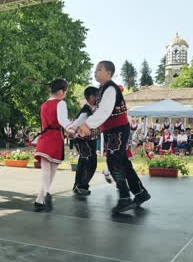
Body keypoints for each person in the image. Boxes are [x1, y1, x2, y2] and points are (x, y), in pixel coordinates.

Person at [76, 61, 150, 213]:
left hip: (118, 130)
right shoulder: (103, 89)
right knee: (122, 162)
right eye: (95, 70)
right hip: (114, 131)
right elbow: (100, 112)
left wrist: (87, 125)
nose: (95, 72)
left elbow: (104, 112)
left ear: (108, 73)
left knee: (114, 161)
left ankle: (124, 197)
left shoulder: (110, 88)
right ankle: (140, 193)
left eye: (98, 70)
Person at [33, 79, 74, 211]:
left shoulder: (44, 105)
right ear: (61, 91)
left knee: (46, 169)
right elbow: (63, 121)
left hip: (44, 137)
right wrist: (75, 130)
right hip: (55, 137)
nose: (65, 94)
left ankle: (41, 198)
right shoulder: (60, 103)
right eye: (65, 91)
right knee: (52, 170)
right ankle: (44, 194)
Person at [70, 87, 100, 196]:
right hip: (82, 141)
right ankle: (81, 185)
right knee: (90, 162)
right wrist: (77, 132)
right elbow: (76, 124)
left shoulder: (92, 109)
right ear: (92, 97)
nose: (99, 98)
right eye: (98, 95)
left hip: (87, 141)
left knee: (84, 162)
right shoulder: (86, 112)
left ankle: (79, 186)